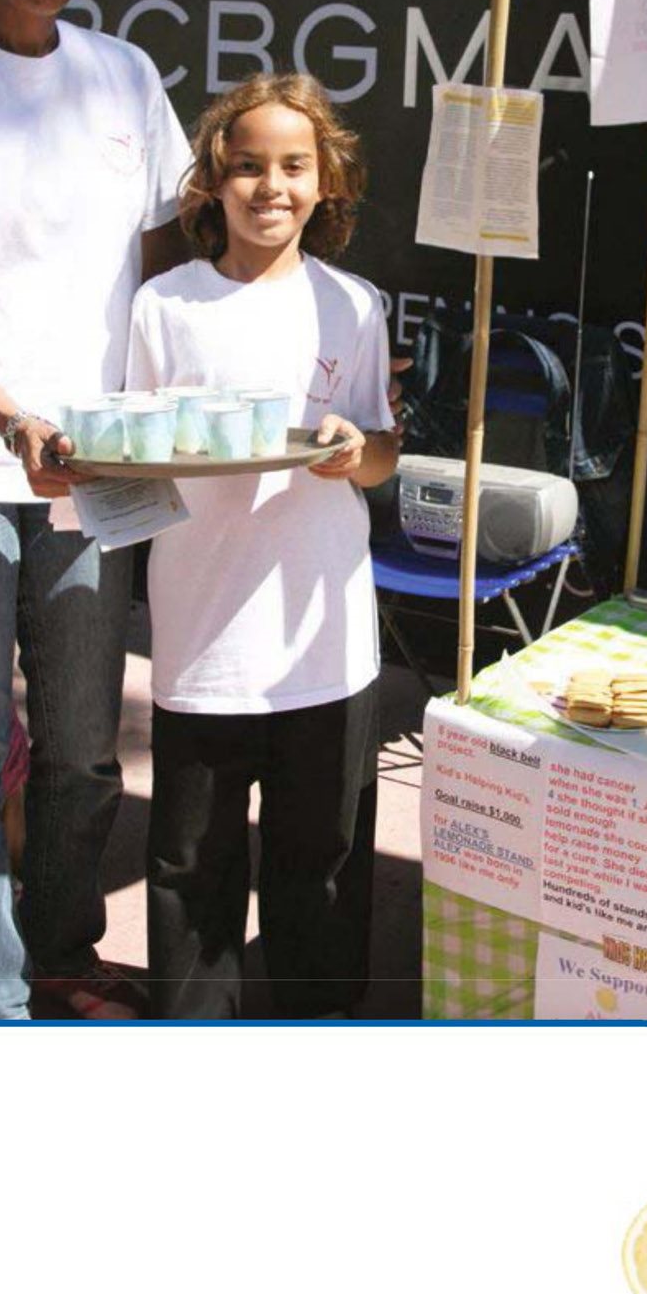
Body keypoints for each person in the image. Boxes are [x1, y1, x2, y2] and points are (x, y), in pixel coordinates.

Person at [0, 0, 192, 1020]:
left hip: (98, 471)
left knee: (87, 754)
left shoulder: (126, 73)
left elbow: (171, 251)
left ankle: (64, 953)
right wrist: (4, 411)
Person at [125, 73, 400, 1018]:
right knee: (191, 863)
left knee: (319, 863)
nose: (269, 187)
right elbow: (134, 456)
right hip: (203, 638)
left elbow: (382, 447)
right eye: (247, 166)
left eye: (293, 165)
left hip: (324, 641)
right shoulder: (165, 306)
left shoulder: (355, 305)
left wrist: (360, 453)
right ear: (214, 179)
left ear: (326, 182)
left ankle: (317, 1037)